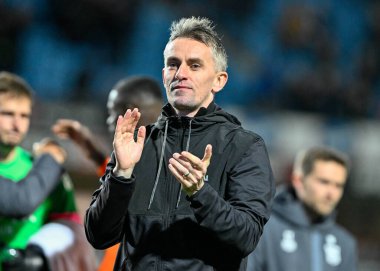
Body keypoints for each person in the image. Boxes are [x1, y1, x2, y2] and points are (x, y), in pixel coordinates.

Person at [85, 16, 275, 271]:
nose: (181, 73)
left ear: (219, 80)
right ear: (164, 75)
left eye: (194, 66)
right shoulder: (138, 143)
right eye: (173, 64)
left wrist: (200, 193)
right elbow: (99, 236)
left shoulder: (244, 147)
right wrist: (121, 175)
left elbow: (246, 236)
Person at [51, 75, 164, 271]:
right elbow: (117, 179)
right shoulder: (136, 161)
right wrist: (89, 146)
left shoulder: (161, 169)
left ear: (132, 113)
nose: (110, 121)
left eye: (113, 113)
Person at [0, 71, 97, 271]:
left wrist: (40, 255)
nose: (17, 125)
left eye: (24, 115)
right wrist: (51, 158)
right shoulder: (46, 169)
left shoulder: (44, 171)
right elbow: (20, 201)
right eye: (7, 114)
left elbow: (71, 230)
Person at [247, 146, 358, 271]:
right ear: (298, 180)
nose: (331, 194)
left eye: (338, 185)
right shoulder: (263, 229)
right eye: (324, 182)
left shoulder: (345, 243)